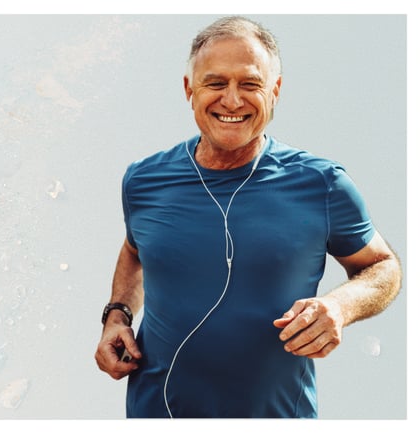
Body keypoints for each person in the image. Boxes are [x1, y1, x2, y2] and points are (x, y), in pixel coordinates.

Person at [94, 16, 402, 418]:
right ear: (190, 89)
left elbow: (383, 267)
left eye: (250, 84)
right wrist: (116, 316)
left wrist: (341, 307)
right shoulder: (143, 179)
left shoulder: (322, 183)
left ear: (275, 91)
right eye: (216, 83)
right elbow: (136, 250)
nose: (233, 100)